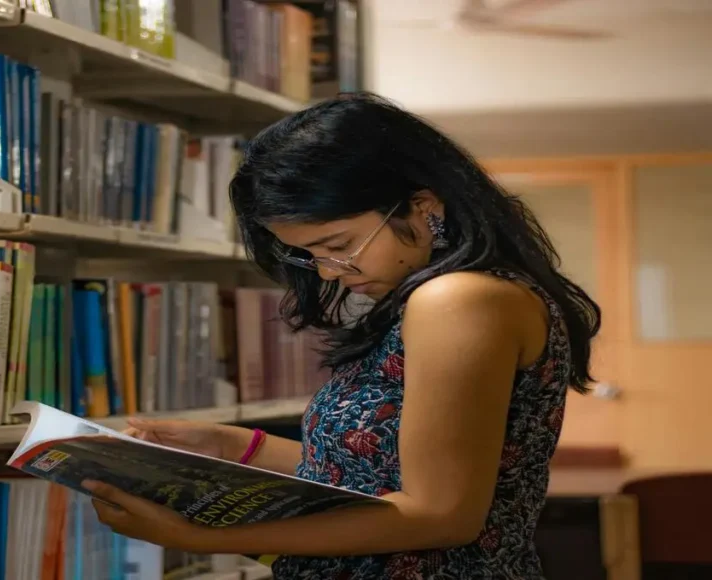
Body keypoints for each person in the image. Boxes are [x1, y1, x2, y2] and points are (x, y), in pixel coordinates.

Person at [82, 93, 601, 578]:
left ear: (425, 207)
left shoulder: (457, 301)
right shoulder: (450, 299)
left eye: (338, 244)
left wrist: (199, 536)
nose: (328, 272)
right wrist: (230, 443)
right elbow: (373, 475)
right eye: (308, 255)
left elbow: (441, 516)